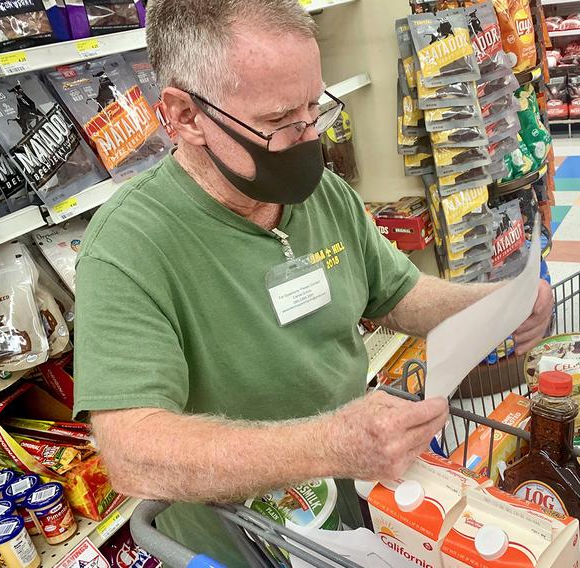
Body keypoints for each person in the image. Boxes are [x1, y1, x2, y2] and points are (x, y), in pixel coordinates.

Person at [72, 1, 554, 566]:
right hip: (243, 540)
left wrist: (498, 303)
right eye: (279, 122)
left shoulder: (322, 193)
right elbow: (133, 453)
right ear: (183, 116)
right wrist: (329, 444)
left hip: (359, 500)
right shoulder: (128, 246)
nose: (308, 140)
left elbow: (400, 294)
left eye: (314, 109)